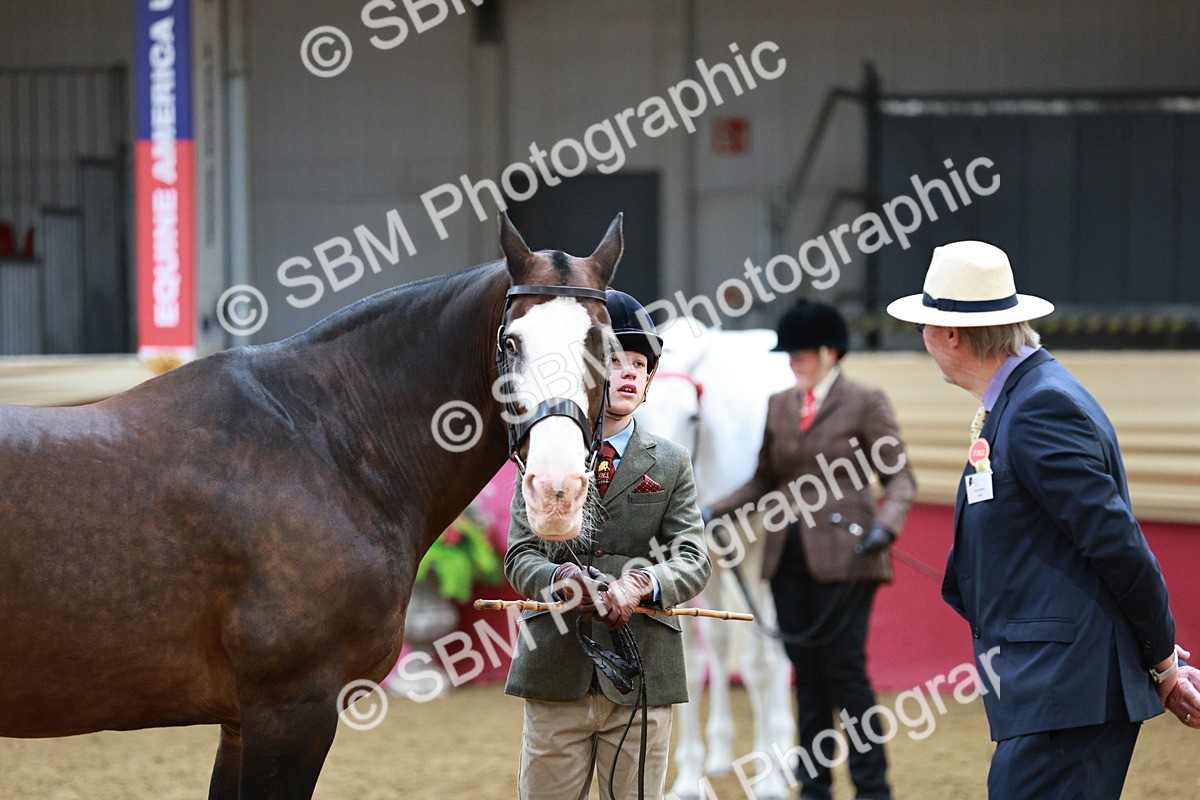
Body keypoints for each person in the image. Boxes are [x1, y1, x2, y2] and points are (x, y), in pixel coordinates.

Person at [886, 240, 1200, 799]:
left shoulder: (1036, 408)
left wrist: (1160, 661)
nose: (923, 338)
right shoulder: (1027, 399)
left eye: (923, 325)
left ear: (951, 334)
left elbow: (1119, 547)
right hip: (1059, 689)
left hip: (1067, 690)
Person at [504, 288, 712, 800]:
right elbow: (520, 555)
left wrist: (642, 583)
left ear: (649, 379)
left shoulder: (671, 462)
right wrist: (562, 578)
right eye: (614, 360)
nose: (628, 373)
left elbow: (693, 558)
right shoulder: (543, 451)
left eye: (639, 364)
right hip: (556, 672)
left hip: (644, 678)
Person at [706, 299, 915, 800]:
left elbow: (900, 478)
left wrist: (886, 527)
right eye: (790, 353)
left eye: (801, 352)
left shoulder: (865, 401)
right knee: (806, 677)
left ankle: (872, 789)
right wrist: (715, 508)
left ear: (829, 352)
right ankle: (815, 788)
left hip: (850, 558)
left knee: (845, 672)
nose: (793, 361)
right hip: (787, 560)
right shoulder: (780, 404)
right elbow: (763, 479)